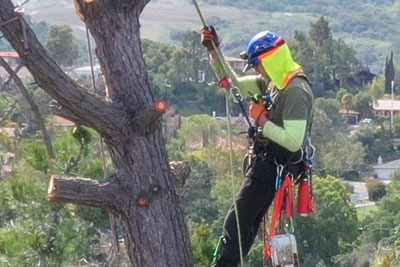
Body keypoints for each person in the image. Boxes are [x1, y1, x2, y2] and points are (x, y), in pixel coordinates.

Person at [201, 27, 315, 267]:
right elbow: (236, 86)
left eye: (257, 65)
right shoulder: (275, 82)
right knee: (246, 221)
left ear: (269, 61)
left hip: (274, 166)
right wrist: (215, 53)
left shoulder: (295, 91)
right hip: (268, 164)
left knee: (237, 220)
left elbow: (293, 140)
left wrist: (262, 119)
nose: (256, 71)